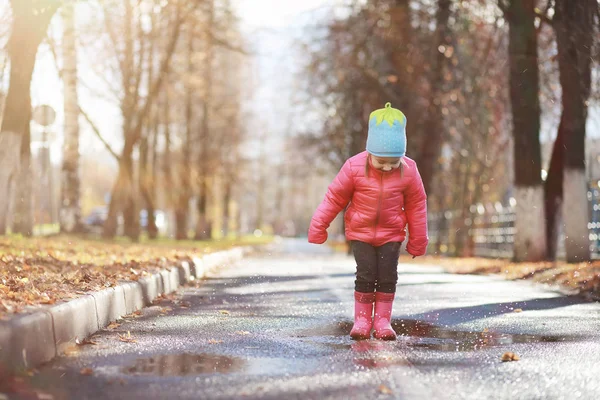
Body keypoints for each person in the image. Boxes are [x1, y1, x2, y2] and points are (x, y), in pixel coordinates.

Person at [308, 102, 428, 340]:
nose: (386, 167)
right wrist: (319, 226)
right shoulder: (353, 167)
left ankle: (383, 321)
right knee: (365, 274)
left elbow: (417, 205)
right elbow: (334, 198)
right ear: (369, 151)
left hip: (391, 233)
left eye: (393, 162)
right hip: (360, 232)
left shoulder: (410, 170)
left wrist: (418, 239)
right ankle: (362, 320)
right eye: (380, 161)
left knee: (387, 275)